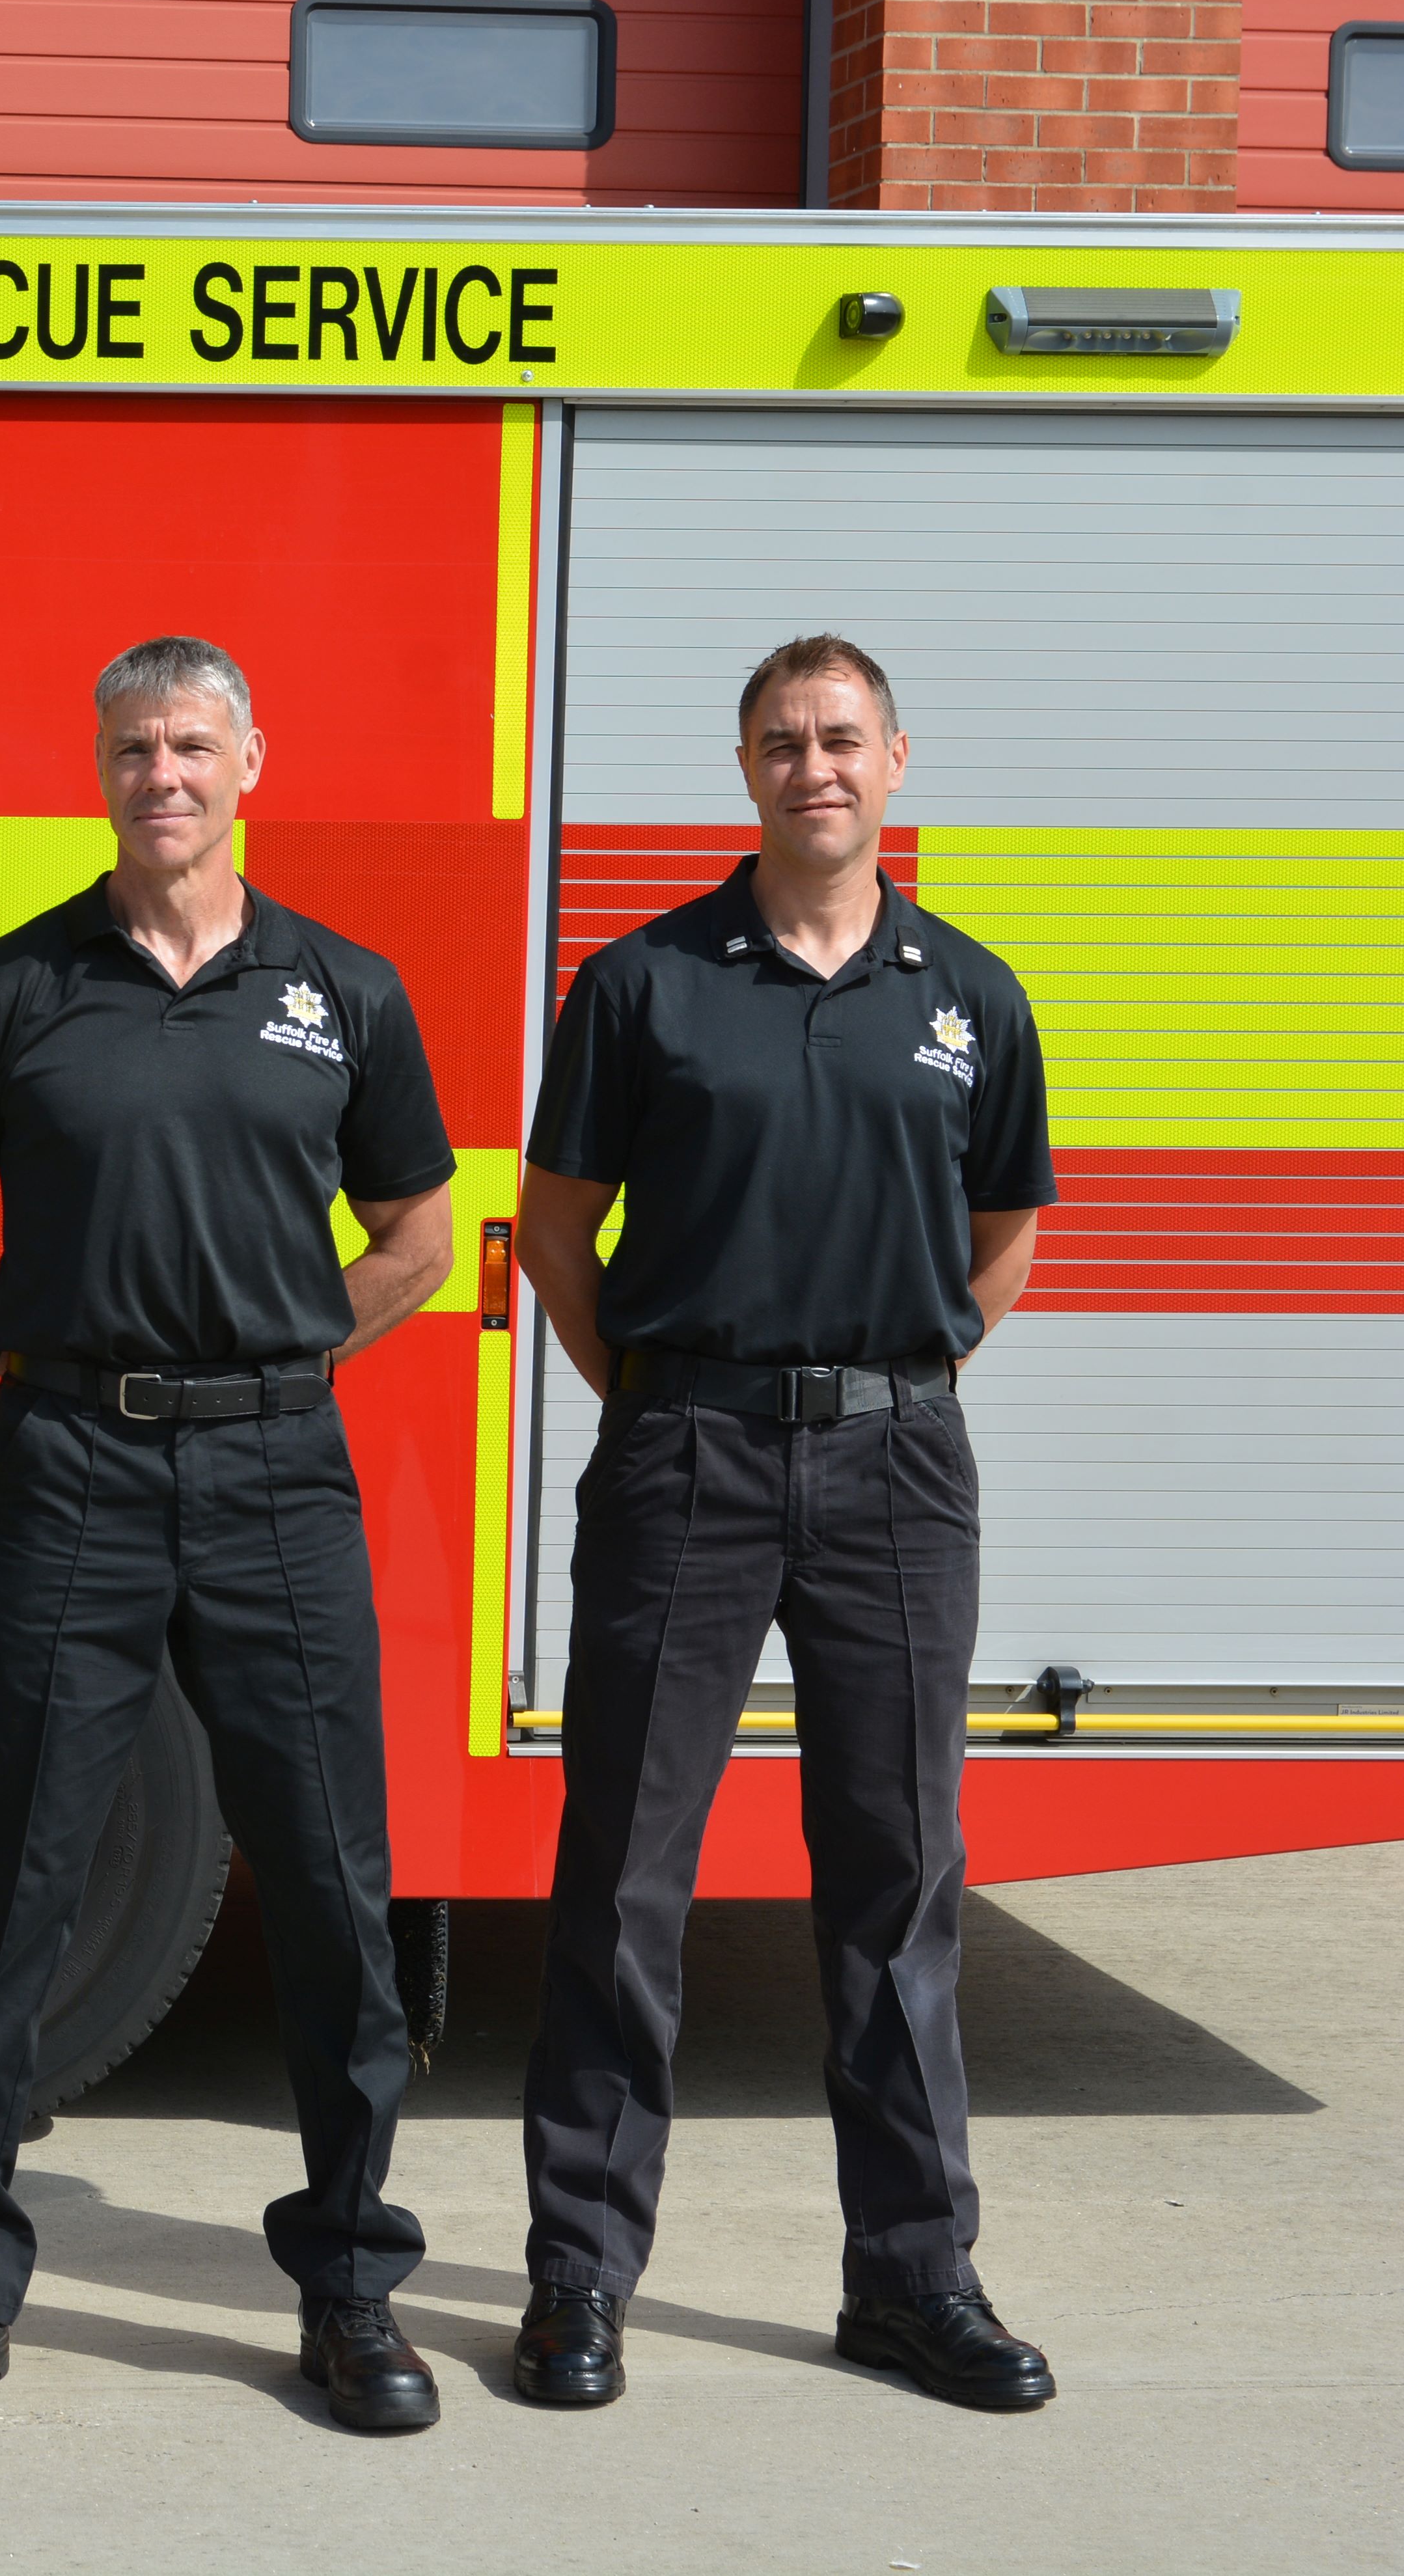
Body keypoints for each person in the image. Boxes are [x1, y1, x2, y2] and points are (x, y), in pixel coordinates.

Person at [0, 636, 458, 2435]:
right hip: (74, 1471)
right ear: (99, 767)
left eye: (195, 742)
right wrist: (49, 1373)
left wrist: (278, 1365)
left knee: (338, 1888)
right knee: (11, 1880)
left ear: (254, 760)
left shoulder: (342, 990)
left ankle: (348, 2286)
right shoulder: (7, 988)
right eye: (135, 745)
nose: (164, 773)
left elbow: (419, 1235)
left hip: (279, 1477)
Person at [511, 635, 1057, 2414]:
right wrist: (669, 1406)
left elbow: (1003, 1242)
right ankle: (579, 2279)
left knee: (898, 1885)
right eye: (779, 741)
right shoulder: (647, 985)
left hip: (898, 1472)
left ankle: (912, 2281)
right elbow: (556, 1232)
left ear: (899, 759)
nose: (812, 764)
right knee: (623, 1883)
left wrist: (895, 1379)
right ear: (742, 769)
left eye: (841, 738)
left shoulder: (969, 993)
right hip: (690, 1459)